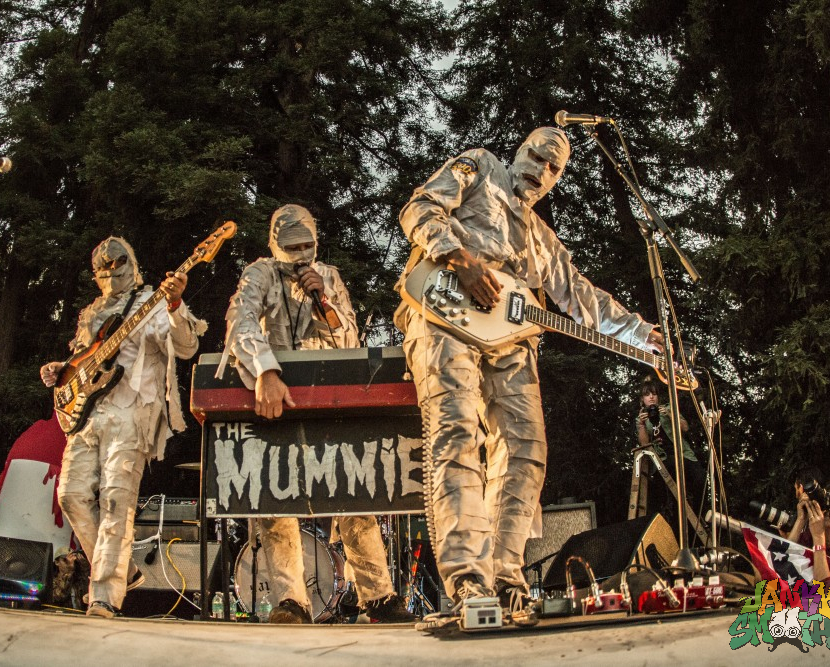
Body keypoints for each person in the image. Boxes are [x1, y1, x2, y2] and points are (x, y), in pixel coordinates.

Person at [395, 127, 664, 624]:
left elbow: (580, 296)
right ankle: (467, 582)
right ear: (518, 150)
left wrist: (642, 335)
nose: (539, 170)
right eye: (536, 156)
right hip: (443, 314)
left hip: (513, 340)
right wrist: (462, 259)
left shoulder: (541, 237)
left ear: (556, 180)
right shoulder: (478, 166)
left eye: (552, 168)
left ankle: (504, 577)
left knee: (526, 449)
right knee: (455, 434)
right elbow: (419, 209)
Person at [222, 204, 415, 624]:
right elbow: (240, 324)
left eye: (307, 245)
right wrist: (265, 371)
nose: (300, 254)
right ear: (276, 244)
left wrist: (323, 299)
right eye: (292, 247)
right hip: (276, 397)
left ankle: (377, 597)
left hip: (332, 399)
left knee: (355, 491)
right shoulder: (260, 274)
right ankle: (292, 601)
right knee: (277, 499)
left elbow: (349, 336)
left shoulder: (327, 275)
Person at [40, 236, 205, 618]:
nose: (112, 271)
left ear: (132, 263)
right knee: (70, 495)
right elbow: (85, 359)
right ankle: (125, 571)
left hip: (133, 410)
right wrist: (60, 370)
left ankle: (104, 596)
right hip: (88, 414)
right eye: (104, 267)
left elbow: (187, 346)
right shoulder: (91, 313)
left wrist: (175, 303)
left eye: (118, 263)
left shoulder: (152, 300)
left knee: (117, 500)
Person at [635, 376, 706, 525]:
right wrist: (641, 425)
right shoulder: (642, 418)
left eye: (654, 393)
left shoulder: (668, 408)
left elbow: (685, 427)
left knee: (701, 478)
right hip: (663, 458)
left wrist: (669, 414)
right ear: (643, 400)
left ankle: (700, 514)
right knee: (669, 493)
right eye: (647, 394)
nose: (651, 397)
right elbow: (644, 444)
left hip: (683, 453)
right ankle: (675, 518)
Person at [786, 477, 830, 581]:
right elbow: (780, 562)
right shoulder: (808, 536)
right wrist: (801, 519)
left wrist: (819, 537)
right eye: (828, 500)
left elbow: (825, 590)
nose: (828, 508)